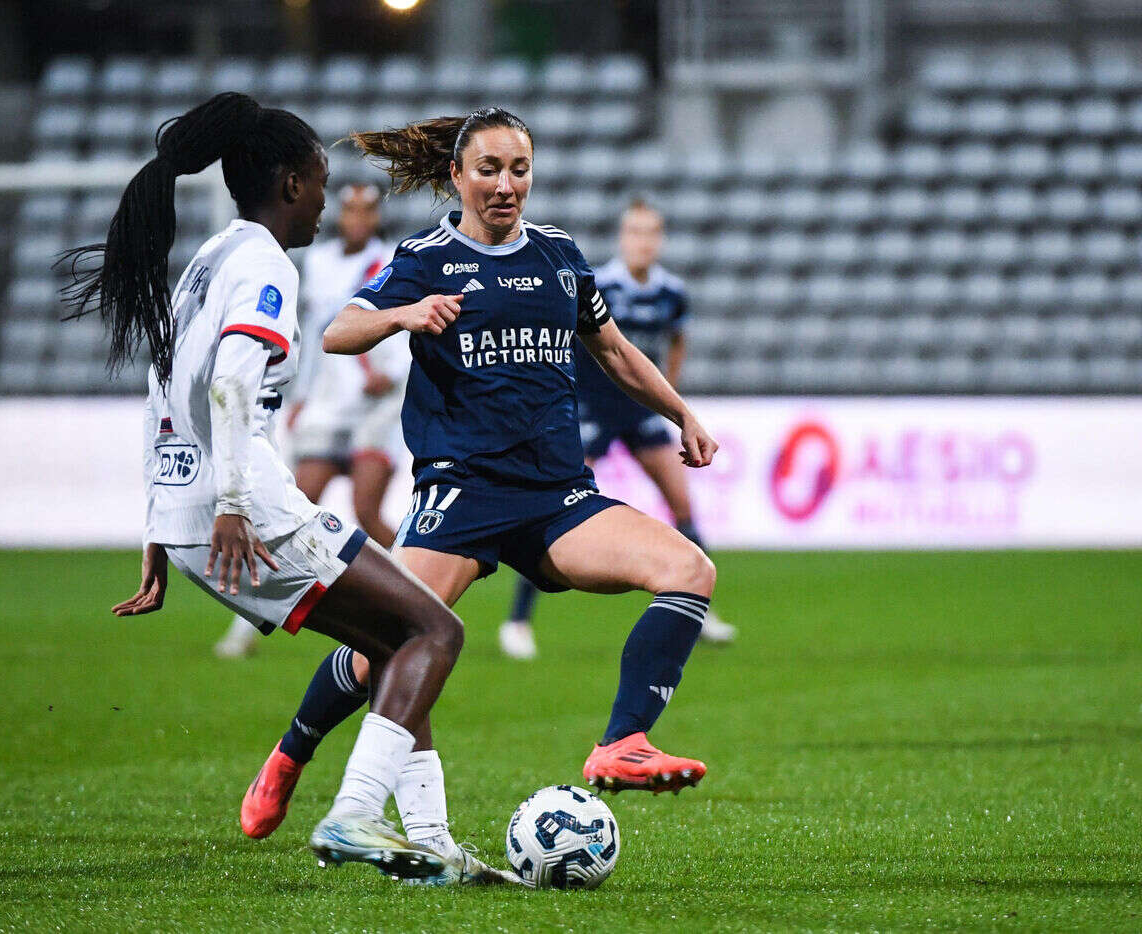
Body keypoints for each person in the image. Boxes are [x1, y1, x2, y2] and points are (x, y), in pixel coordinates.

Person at [240, 108, 721, 854]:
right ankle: (290, 753)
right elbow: (338, 332)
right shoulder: (428, 255)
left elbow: (616, 352)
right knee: (385, 648)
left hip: (558, 497)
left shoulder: (560, 256)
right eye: (489, 169)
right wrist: (405, 313)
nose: (505, 185)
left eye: (519, 170)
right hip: (461, 495)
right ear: (459, 177)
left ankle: (623, 741)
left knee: (689, 569)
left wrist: (681, 412)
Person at [60, 94, 512, 885]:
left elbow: (171, 393)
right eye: (324, 180)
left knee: (394, 639)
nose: (327, 200)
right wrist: (230, 503)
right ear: (294, 182)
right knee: (434, 634)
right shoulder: (266, 262)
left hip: (192, 513)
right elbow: (231, 381)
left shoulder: (210, 259)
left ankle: (431, 841)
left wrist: (164, 525)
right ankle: (356, 815)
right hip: (250, 510)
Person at [499, 200, 737, 660]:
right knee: (553, 507)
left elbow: (677, 340)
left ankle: (698, 608)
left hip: (640, 410)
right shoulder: (599, 284)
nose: (642, 241)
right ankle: (518, 621)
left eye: (650, 233)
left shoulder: (672, 292)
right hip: (591, 407)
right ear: (623, 237)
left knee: (682, 503)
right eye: (634, 232)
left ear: (659, 239)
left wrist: (670, 390)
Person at [213, 183, 406, 660]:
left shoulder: (391, 261)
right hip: (329, 405)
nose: (357, 219)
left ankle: (416, 597)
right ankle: (246, 623)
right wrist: (299, 395)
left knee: (366, 511)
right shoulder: (318, 261)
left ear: (377, 217)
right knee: (288, 515)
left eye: (366, 211)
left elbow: (401, 327)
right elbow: (313, 331)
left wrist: (392, 375)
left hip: (377, 403)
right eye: (350, 210)